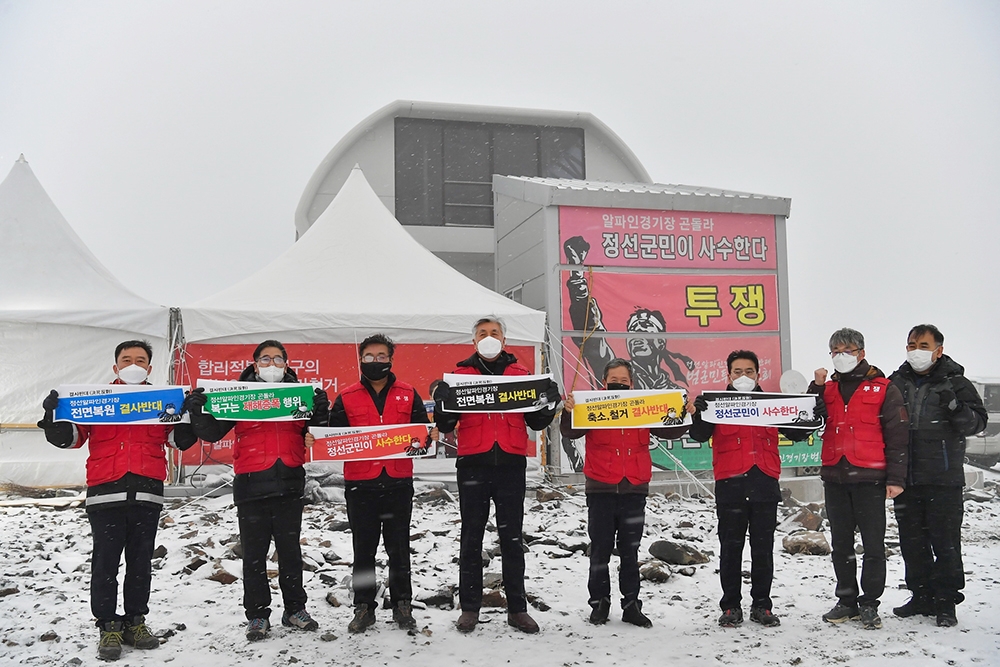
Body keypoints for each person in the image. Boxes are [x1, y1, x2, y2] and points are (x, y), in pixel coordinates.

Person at [38, 340, 197, 661]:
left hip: (147, 492)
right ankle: (108, 624)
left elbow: (178, 440)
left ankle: (136, 621)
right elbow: (72, 438)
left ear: (150, 369)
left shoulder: (163, 401)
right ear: (116, 367)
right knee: (105, 562)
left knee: (140, 562)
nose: (134, 365)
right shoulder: (95, 400)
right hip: (104, 492)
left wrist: (190, 416)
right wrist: (54, 419)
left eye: (140, 360)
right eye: (127, 360)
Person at [183, 340, 329, 641]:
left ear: (287, 365)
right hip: (251, 484)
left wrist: (320, 409)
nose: (271, 365)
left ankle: (294, 609)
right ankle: (258, 615)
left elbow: (319, 430)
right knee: (253, 556)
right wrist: (198, 411)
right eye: (265, 359)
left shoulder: (299, 396)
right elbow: (211, 432)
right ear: (254, 364)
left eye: (278, 359)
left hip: (289, 481)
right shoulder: (237, 397)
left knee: (290, 552)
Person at [434, 316, 560, 634]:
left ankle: (517, 608)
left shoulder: (521, 375)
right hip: (473, 463)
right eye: (482, 333)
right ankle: (470, 608)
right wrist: (441, 404)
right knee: (471, 537)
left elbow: (537, 422)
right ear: (473, 340)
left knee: (512, 538)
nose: (488, 337)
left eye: (494, 333)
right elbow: (447, 425)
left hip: (510, 463)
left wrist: (548, 401)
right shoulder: (459, 376)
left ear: (504, 340)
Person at [318, 334, 438, 633]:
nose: (375, 361)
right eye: (369, 356)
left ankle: (402, 604)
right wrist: (317, 437)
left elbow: (421, 437)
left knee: (399, 548)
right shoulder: (346, 396)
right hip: (361, 484)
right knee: (363, 549)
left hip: (398, 481)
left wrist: (430, 437)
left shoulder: (408, 393)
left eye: (381, 356)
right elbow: (334, 439)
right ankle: (363, 607)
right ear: (361, 360)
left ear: (390, 360)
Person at [688, 350, 814, 629]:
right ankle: (731, 605)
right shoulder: (714, 404)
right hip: (730, 482)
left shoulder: (772, 404)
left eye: (748, 372)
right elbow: (698, 434)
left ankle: (762, 605)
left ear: (758, 375)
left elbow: (796, 432)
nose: (743, 377)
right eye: (737, 372)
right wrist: (698, 413)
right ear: (728, 375)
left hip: (764, 480)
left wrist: (809, 411)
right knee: (730, 548)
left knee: (762, 549)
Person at [560, 358, 688, 627]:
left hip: (634, 487)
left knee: (630, 551)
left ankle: (631, 605)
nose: (618, 384)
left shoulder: (644, 406)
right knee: (600, 550)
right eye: (613, 380)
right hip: (601, 488)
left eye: (624, 380)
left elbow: (672, 431)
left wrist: (683, 412)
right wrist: (569, 411)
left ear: (632, 383)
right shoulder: (591, 405)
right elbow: (570, 432)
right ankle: (599, 604)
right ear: (603, 382)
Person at [888, 324, 987, 627]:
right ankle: (920, 595)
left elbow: (977, 423)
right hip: (906, 478)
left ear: (938, 350)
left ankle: (946, 601)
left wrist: (955, 406)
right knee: (912, 542)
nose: (915, 350)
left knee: (945, 542)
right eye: (911, 344)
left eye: (922, 345)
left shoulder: (956, 382)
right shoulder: (896, 381)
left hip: (943, 478)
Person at [810, 328, 909, 630]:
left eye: (848, 350)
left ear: (861, 353)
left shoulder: (884, 388)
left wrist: (896, 478)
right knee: (840, 544)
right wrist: (815, 387)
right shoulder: (826, 389)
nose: (842, 356)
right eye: (836, 351)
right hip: (835, 476)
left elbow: (898, 436)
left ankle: (870, 603)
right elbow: (805, 418)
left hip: (870, 478)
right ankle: (846, 600)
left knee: (873, 545)